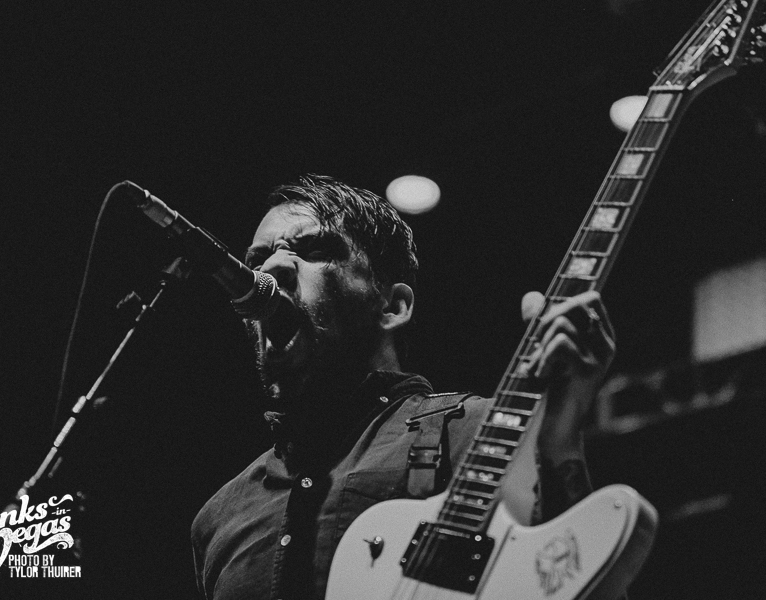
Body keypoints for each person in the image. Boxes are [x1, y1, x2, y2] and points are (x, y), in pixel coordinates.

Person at [191, 174, 615, 600]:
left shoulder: (482, 431)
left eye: (316, 251)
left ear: (392, 306)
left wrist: (560, 444)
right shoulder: (219, 517)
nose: (270, 269)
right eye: (258, 259)